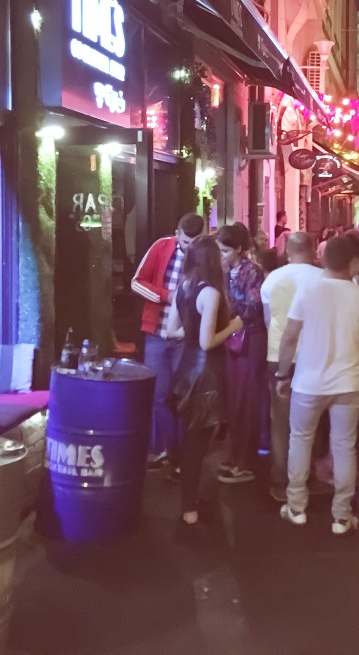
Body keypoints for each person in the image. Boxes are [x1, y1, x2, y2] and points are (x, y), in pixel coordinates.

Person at [276, 236, 359, 535]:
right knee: (344, 446)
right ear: (353, 262)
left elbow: (289, 337)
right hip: (348, 383)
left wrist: (282, 374)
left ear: (323, 259)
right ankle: (341, 516)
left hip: (308, 383)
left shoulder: (307, 292)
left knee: (300, 440)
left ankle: (296, 507)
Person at [165, 238, 243, 525]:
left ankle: (189, 502)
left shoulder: (183, 286)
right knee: (197, 444)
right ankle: (189, 507)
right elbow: (208, 342)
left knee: (191, 440)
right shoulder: (210, 292)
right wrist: (234, 327)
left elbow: (169, 330)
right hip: (205, 374)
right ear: (212, 260)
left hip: (185, 369)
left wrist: (191, 332)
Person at [131, 212, 205, 468]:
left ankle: (180, 453)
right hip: (157, 334)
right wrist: (166, 295)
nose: (188, 249)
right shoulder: (161, 247)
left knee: (183, 396)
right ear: (177, 234)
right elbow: (136, 282)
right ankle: (167, 450)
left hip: (187, 338)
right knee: (159, 395)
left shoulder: (205, 255)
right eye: (185, 243)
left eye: (193, 244)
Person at [260, 232, 324, 502]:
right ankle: (307, 475)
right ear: (312, 250)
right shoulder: (323, 278)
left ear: (287, 250)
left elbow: (268, 320)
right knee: (314, 419)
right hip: (315, 354)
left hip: (278, 355)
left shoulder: (272, 279)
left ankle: (280, 479)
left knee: (281, 421)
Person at [216, 222, 267, 484]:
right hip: (232, 338)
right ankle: (234, 455)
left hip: (250, 340)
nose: (221, 255)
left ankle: (244, 462)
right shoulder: (228, 271)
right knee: (234, 401)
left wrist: (227, 307)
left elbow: (253, 308)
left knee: (247, 402)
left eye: (225, 250)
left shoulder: (252, 271)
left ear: (238, 249)